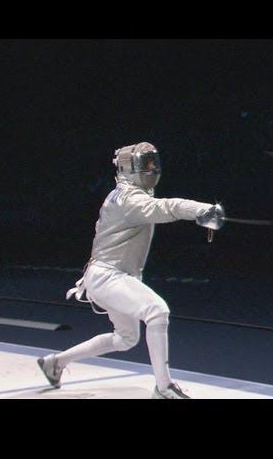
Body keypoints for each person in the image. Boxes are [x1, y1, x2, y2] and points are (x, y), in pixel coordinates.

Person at [37, 142, 225, 399]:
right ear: (129, 168)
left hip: (112, 276)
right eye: (145, 164)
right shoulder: (128, 199)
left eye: (152, 163)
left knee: (125, 339)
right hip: (108, 276)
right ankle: (163, 387)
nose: (150, 169)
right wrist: (202, 211)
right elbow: (166, 208)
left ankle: (55, 363)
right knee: (157, 311)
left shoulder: (127, 195)